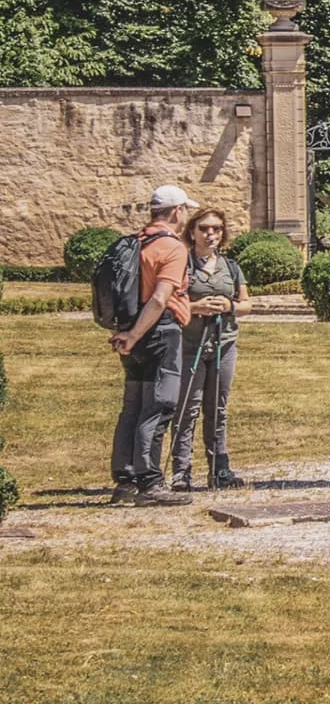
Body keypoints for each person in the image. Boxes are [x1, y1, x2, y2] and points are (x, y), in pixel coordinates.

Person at [107, 186, 200, 505]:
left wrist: (129, 334)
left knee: (133, 405)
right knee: (159, 404)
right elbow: (161, 298)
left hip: (132, 328)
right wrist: (136, 335)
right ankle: (150, 482)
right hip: (158, 331)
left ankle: (125, 481)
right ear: (176, 211)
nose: (186, 215)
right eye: (185, 210)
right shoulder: (172, 248)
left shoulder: (135, 241)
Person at [170, 208, 252, 490]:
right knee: (187, 409)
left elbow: (246, 303)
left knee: (218, 408)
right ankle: (181, 471)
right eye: (204, 228)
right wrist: (195, 307)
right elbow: (169, 302)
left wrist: (230, 307)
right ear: (192, 232)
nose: (211, 234)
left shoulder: (230, 266)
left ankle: (220, 469)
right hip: (189, 345)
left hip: (224, 344)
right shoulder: (182, 264)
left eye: (216, 229)